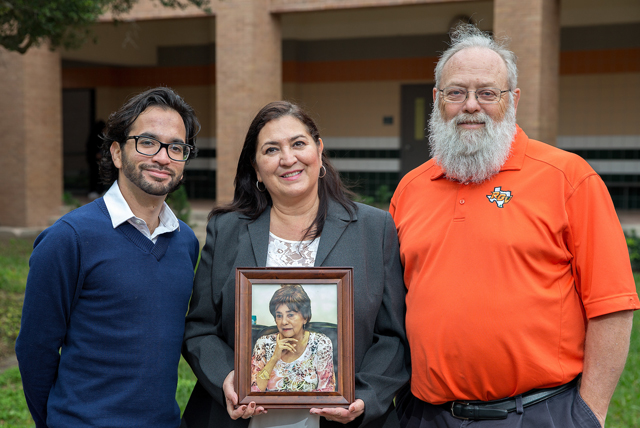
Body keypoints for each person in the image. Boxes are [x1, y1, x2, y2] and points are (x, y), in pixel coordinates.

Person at [390, 24, 640, 428]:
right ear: (437, 100)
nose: (471, 105)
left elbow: (612, 306)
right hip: (426, 416)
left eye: (487, 93)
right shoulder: (411, 188)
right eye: (456, 92)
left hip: (538, 413)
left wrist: (589, 414)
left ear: (513, 100)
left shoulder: (568, 177)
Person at [181, 101, 409, 428]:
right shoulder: (227, 230)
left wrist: (364, 396)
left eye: (298, 144)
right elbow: (200, 327)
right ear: (257, 168)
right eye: (271, 150)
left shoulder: (374, 229)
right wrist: (228, 378)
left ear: (319, 151)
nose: (288, 159)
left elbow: (393, 337)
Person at [15, 87, 201, 428]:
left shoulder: (185, 241)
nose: (163, 157)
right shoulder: (69, 239)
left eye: (177, 147)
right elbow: (34, 350)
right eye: (147, 142)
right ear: (117, 153)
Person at [251, 284, 335, 392]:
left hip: (309, 408)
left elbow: (327, 391)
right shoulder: (263, 343)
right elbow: (254, 391)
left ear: (305, 317)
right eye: (279, 316)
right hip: (271, 408)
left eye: (290, 315)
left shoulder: (321, 343)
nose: (284, 322)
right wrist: (274, 358)